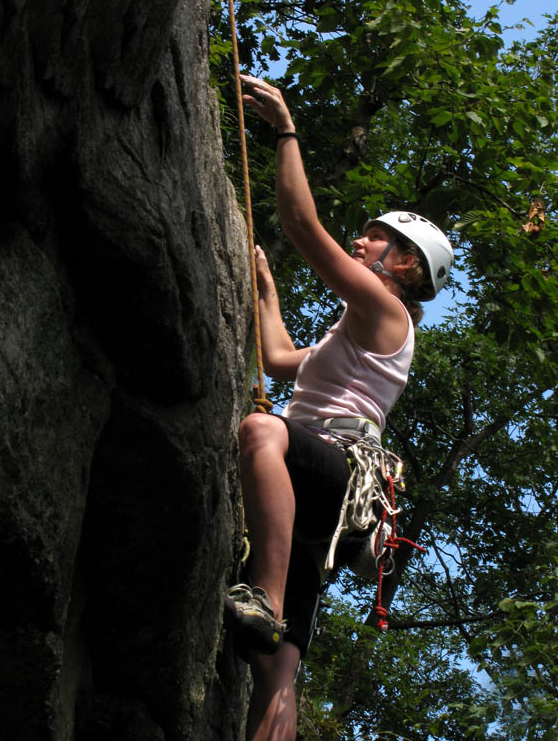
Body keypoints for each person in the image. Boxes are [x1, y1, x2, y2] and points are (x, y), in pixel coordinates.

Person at [223, 76, 454, 741]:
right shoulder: (351, 333)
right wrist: (265, 288)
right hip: (322, 501)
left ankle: (262, 598)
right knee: (279, 674)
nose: (358, 242)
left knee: (262, 430)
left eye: (373, 239)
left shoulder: (386, 313)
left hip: (339, 472)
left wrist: (287, 129)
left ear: (403, 264)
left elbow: (302, 225)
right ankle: (273, 627)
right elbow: (275, 360)